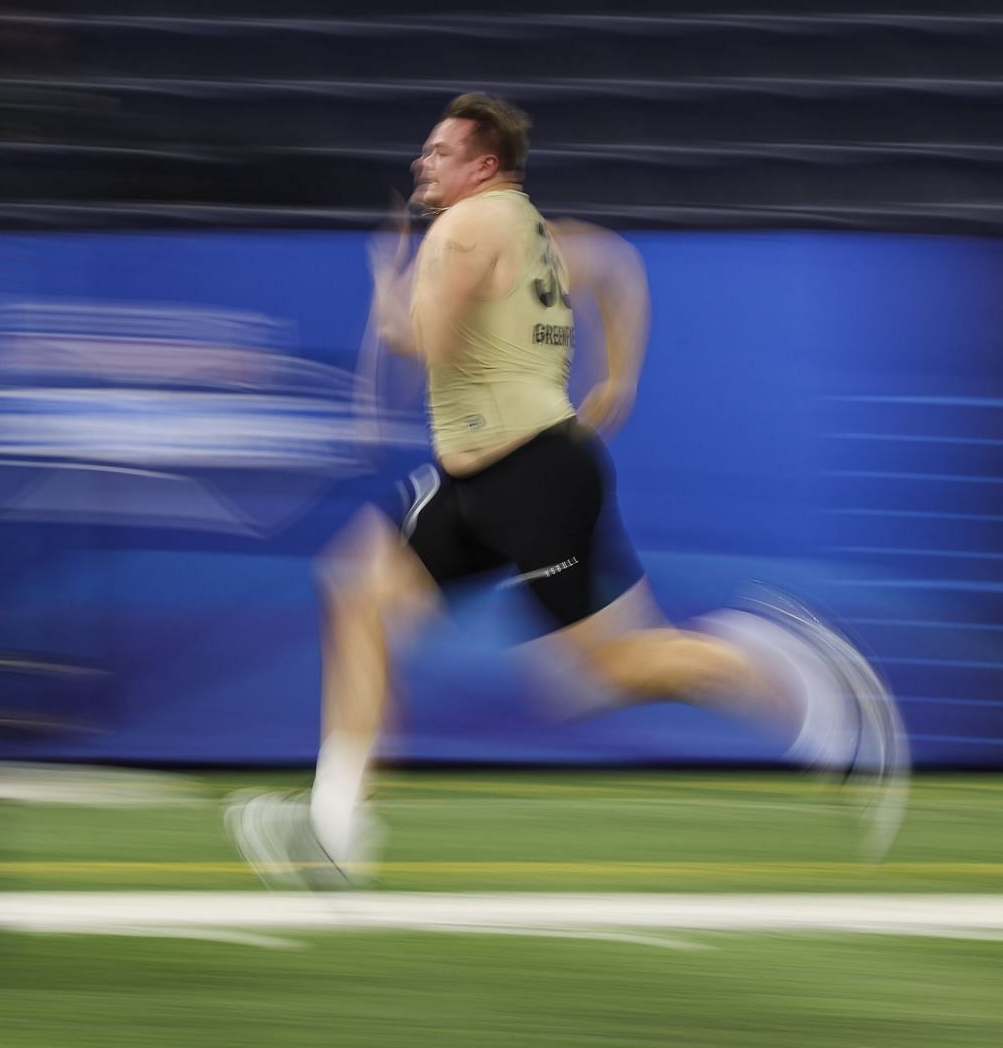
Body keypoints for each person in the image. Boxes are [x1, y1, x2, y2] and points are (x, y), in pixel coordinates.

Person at [228, 93, 906, 886]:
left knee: (603, 672)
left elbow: (424, 344)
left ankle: (789, 666)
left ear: (484, 166)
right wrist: (618, 376)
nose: (424, 161)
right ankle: (336, 825)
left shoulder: (463, 229)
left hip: (532, 480)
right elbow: (616, 264)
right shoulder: (540, 230)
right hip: (481, 478)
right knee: (358, 591)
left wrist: (391, 291)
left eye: (440, 151)